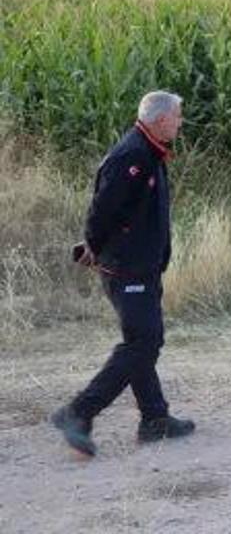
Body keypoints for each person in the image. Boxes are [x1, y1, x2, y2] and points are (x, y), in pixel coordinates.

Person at [50, 91, 195, 457]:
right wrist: (94, 246)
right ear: (161, 120)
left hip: (141, 264)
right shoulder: (133, 155)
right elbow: (102, 209)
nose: (180, 123)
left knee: (141, 340)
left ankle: (155, 420)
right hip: (127, 266)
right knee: (145, 342)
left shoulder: (148, 150)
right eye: (178, 117)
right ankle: (79, 412)